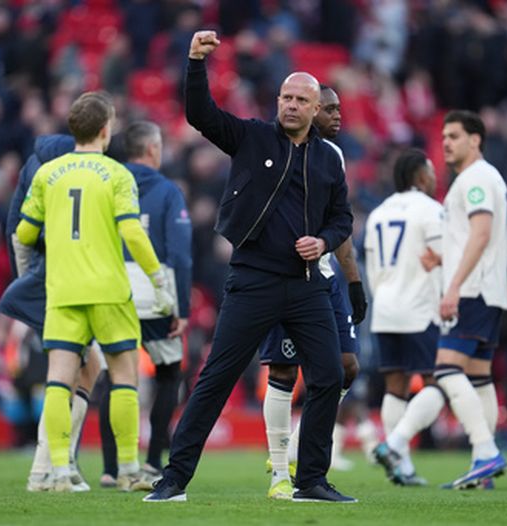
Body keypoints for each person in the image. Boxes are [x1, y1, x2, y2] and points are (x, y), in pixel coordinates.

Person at [144, 31, 355, 503]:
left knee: (329, 377)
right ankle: (174, 478)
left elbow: (343, 218)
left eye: (302, 99)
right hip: (254, 278)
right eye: (286, 97)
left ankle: (311, 480)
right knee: (216, 379)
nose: (292, 105)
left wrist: (323, 240)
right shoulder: (253, 136)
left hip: (305, 286)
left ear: (316, 106)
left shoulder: (328, 159)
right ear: (277, 100)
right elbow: (201, 115)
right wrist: (196, 63)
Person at [14, 91, 174, 492]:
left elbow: (24, 233)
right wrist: (158, 280)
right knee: (123, 378)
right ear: (107, 130)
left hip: (63, 292)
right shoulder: (117, 174)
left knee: (57, 380)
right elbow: (132, 232)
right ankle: (128, 469)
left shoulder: (47, 174)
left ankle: (59, 471)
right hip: (108, 291)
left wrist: (30, 276)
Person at [377, 110, 507, 489]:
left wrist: (452, 286)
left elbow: (481, 234)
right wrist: (444, 259)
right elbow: (472, 237)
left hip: (471, 291)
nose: (447, 142)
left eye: (454, 136)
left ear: (475, 140)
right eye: (445, 136)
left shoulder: (475, 179)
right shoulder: (479, 179)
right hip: (487, 290)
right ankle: (482, 468)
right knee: (479, 378)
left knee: (447, 370)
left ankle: (485, 451)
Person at [259, 85, 371, 500]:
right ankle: (279, 469)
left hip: (325, 277)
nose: (339, 116)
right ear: (313, 110)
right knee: (285, 372)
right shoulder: (279, 148)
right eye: (331, 109)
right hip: (287, 276)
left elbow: (339, 226)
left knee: (346, 368)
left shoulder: (333, 157)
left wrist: (354, 281)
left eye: (341, 108)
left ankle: (301, 447)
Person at [0, 134, 103, 492]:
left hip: (44, 278)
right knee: (71, 372)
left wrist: (25, 277)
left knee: (82, 369)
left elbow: (17, 228)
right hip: (65, 280)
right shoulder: (82, 168)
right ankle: (48, 468)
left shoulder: (37, 165)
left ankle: (57, 463)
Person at [98, 120, 192, 488]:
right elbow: (180, 255)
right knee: (169, 372)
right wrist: (181, 307)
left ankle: (110, 467)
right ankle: (153, 460)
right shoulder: (168, 192)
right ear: (153, 149)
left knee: (113, 375)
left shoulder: (107, 185)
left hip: (110, 289)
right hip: (154, 293)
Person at [364, 148, 444, 486]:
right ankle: (395, 445)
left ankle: (403, 467)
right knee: (439, 382)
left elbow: (371, 270)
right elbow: (444, 258)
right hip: (421, 308)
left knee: (395, 388)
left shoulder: (378, 213)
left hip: (385, 308)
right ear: (421, 176)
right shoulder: (432, 210)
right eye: (430, 169)